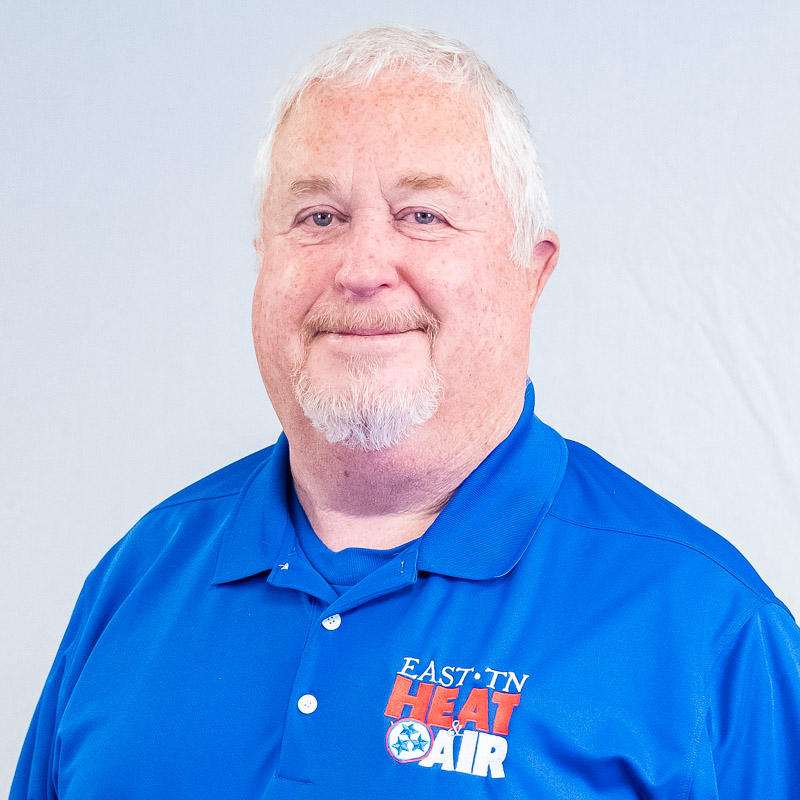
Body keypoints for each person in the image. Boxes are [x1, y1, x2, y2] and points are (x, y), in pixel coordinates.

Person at [12, 25, 800, 800]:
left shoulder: (708, 628)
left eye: (423, 215)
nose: (361, 268)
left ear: (531, 273)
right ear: (263, 261)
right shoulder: (137, 579)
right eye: (318, 217)